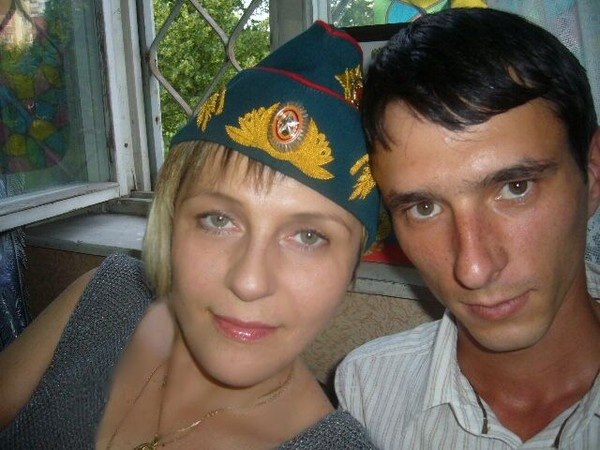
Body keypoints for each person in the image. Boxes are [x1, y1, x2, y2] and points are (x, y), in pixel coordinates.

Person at [0, 21, 380, 449]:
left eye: (308, 237)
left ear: (353, 266)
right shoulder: (105, 297)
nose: (249, 282)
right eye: (219, 220)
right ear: (171, 219)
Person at [336, 7, 600, 449]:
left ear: (592, 173)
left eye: (516, 187)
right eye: (424, 207)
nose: (473, 269)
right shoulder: (367, 389)